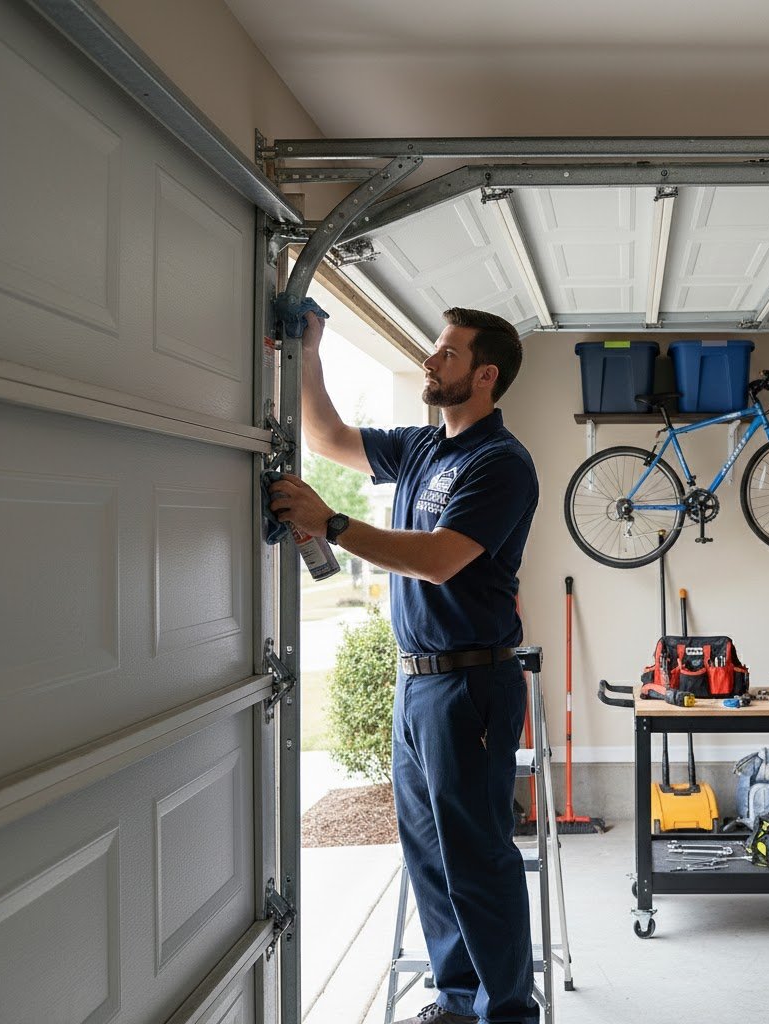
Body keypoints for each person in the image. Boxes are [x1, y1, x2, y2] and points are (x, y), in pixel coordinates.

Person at [269, 307, 540, 1024]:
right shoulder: (423, 447)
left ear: (486, 375)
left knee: (478, 858)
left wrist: (332, 523)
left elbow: (438, 559)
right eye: (432, 351)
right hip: (417, 682)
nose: (430, 362)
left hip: (471, 684)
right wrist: (310, 349)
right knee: (429, 857)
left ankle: (507, 1011)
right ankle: (456, 1003)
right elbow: (327, 435)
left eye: (446, 354)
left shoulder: (501, 463)